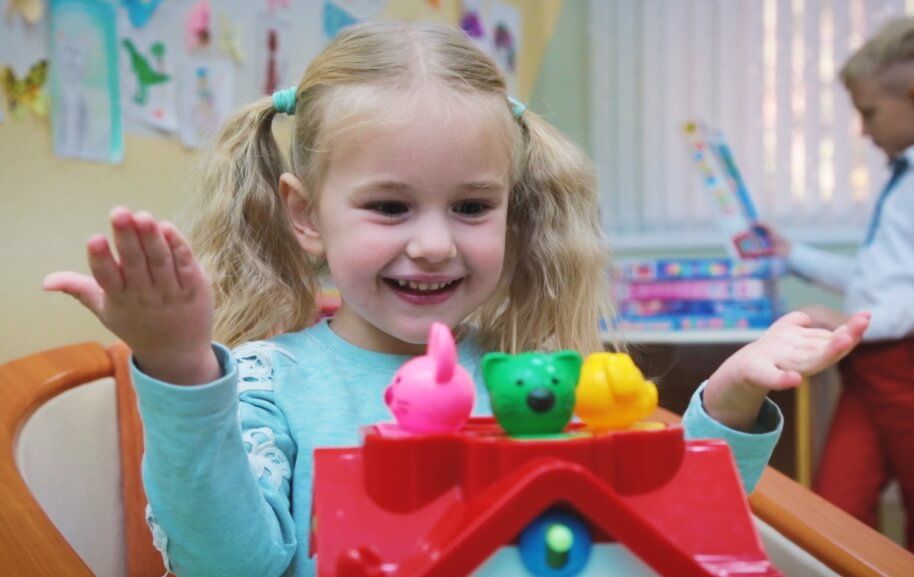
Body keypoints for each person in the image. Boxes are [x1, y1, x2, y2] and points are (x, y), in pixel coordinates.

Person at [43, 21, 869, 577]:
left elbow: (660, 524)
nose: (435, 242)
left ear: (513, 209)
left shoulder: (533, 381)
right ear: (306, 215)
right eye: (390, 206)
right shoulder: (266, 382)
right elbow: (228, 565)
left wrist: (732, 395)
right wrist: (180, 367)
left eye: (472, 206)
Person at [758, 17, 914, 551]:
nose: (864, 131)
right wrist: (792, 255)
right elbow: (879, 278)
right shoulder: (901, 181)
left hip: (903, 367)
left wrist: (851, 321)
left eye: (869, 113)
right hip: (867, 372)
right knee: (837, 507)